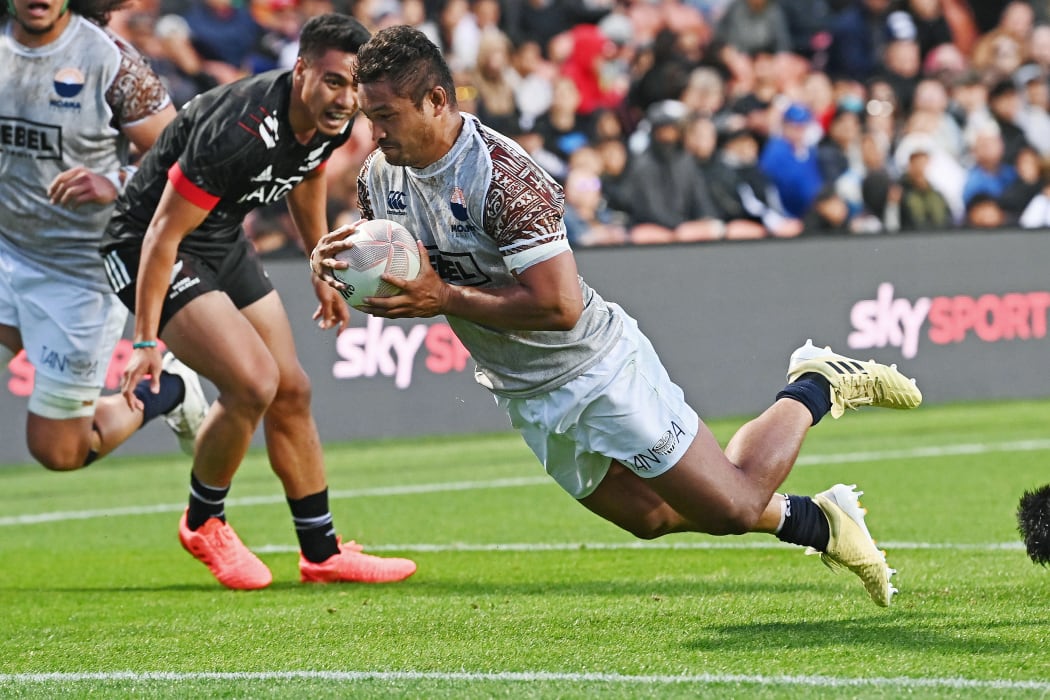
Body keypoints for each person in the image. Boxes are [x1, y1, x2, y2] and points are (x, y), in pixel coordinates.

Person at [312, 25, 924, 607]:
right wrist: (344, 267)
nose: (375, 133)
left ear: (436, 100)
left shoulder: (502, 178)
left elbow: (559, 306)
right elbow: (404, 273)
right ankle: (822, 520)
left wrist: (442, 299)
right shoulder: (378, 179)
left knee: (734, 506)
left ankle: (815, 384)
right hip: (520, 387)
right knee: (650, 518)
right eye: (370, 117)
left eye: (386, 116)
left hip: (595, 368)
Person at [98, 14, 417, 590]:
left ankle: (321, 552)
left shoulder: (336, 118)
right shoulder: (238, 131)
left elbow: (308, 172)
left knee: (291, 388)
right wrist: (145, 341)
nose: (345, 98)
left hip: (219, 237)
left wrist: (321, 260)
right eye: (332, 81)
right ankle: (203, 523)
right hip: (149, 242)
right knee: (252, 383)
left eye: (353, 85)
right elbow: (160, 236)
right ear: (300, 72)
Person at [0, 0, 209, 471]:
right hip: (6, 245)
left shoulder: (112, 63)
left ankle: (169, 391)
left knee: (60, 450)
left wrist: (113, 181)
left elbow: (184, 159)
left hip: (78, 272)